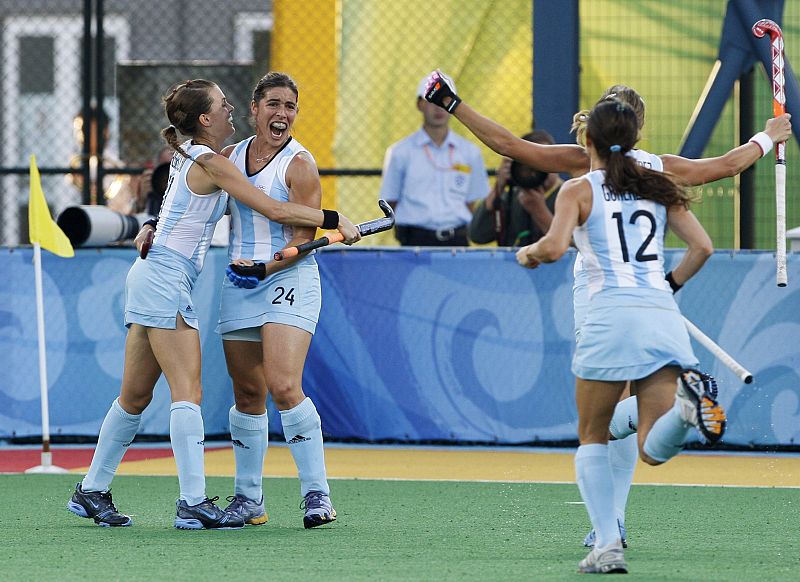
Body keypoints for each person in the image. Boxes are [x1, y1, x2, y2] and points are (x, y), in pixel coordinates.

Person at [423, 72, 793, 547]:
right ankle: (630, 494)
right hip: (653, 304)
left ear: (594, 129)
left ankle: (610, 528)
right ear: (636, 129)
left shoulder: (584, 169)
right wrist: (768, 135)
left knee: (599, 426)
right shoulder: (658, 170)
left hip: (600, 303)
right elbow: (724, 168)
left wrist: (453, 103)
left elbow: (509, 146)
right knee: (641, 431)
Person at [66, 79, 360, 530]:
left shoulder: (216, 159)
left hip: (157, 277)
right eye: (225, 106)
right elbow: (274, 210)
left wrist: (149, 224)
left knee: (136, 396)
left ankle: (91, 489)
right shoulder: (218, 160)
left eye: (291, 105)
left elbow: (179, 209)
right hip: (168, 279)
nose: (230, 112)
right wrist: (338, 220)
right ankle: (193, 502)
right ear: (209, 118)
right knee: (188, 394)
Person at [516, 99, 724, 573]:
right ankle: (686, 411)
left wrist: (526, 254)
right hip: (659, 314)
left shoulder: (578, 189)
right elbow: (703, 247)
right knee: (652, 445)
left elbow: (552, 247)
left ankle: (607, 544)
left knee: (592, 434)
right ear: (634, 142)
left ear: (587, 140)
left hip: (609, 315)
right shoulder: (658, 185)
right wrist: (668, 286)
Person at [214, 72, 341, 529]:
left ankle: (317, 496)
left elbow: (303, 242)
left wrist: (265, 269)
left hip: (288, 277)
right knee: (248, 393)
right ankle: (248, 499)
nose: (282, 114)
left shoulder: (300, 165)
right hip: (239, 281)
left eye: (289, 106)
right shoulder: (229, 157)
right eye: (273, 104)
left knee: (284, 386)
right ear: (255, 108)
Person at [379, 75, 489, 246]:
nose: (439, 108)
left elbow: (471, 203)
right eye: (431, 100)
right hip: (414, 241)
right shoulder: (399, 152)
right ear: (419, 104)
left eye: (445, 100)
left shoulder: (470, 152)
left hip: (457, 240)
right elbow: (391, 201)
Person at [469, 129, 563, 246]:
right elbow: (478, 235)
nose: (538, 167)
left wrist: (539, 211)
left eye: (543, 160)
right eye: (530, 162)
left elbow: (571, 245)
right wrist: (499, 186)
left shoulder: (568, 194)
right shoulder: (513, 196)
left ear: (557, 160)